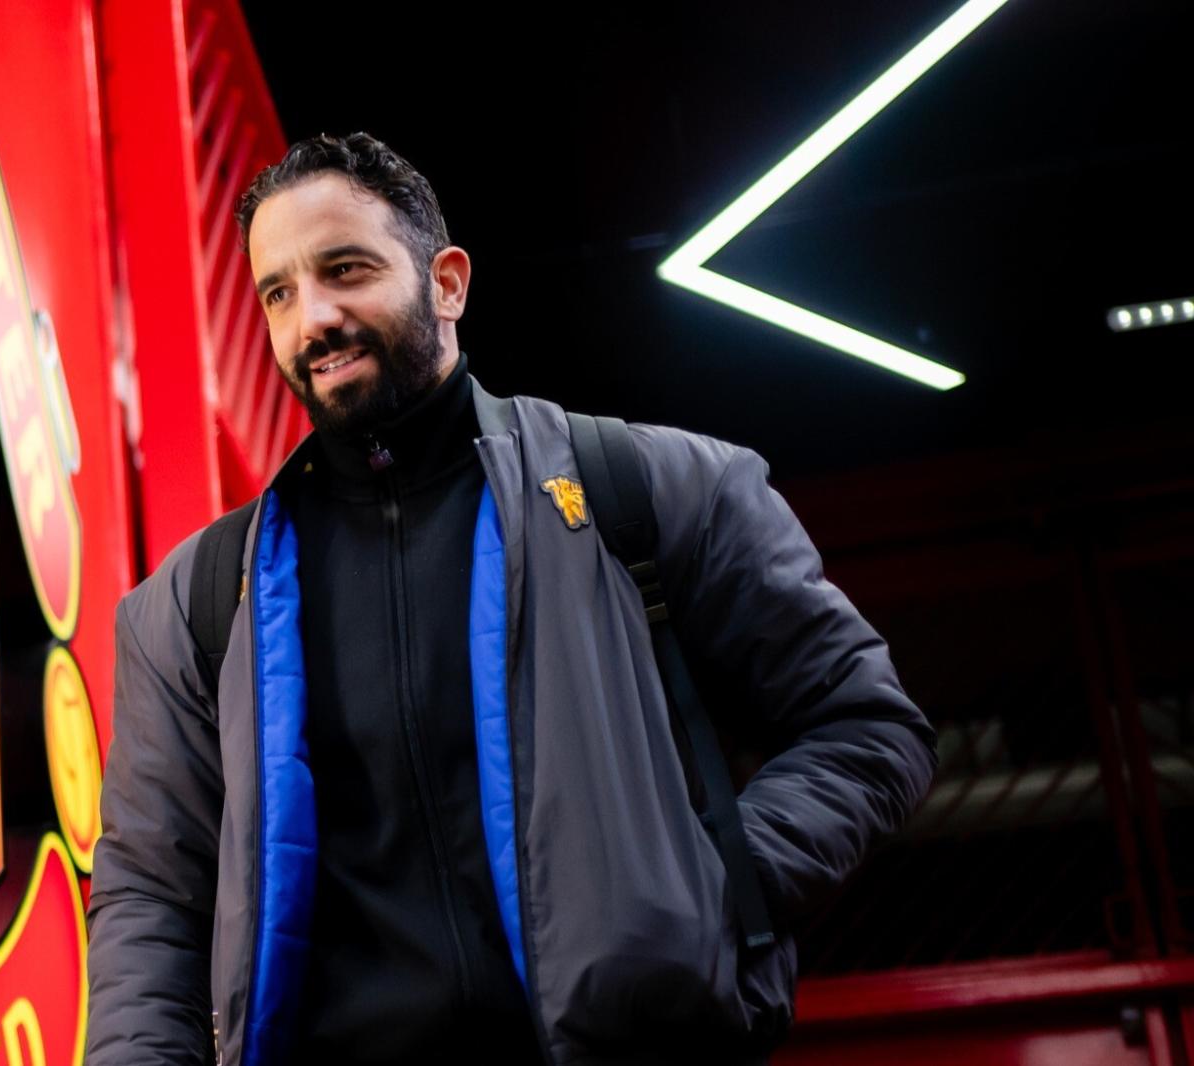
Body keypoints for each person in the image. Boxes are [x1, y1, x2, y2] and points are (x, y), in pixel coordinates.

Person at [85, 132, 936, 1066]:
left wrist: (717, 886)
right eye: (278, 293)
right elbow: (152, 896)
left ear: (447, 283)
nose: (312, 319)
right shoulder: (192, 604)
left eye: (345, 269)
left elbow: (866, 726)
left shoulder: (652, 489)